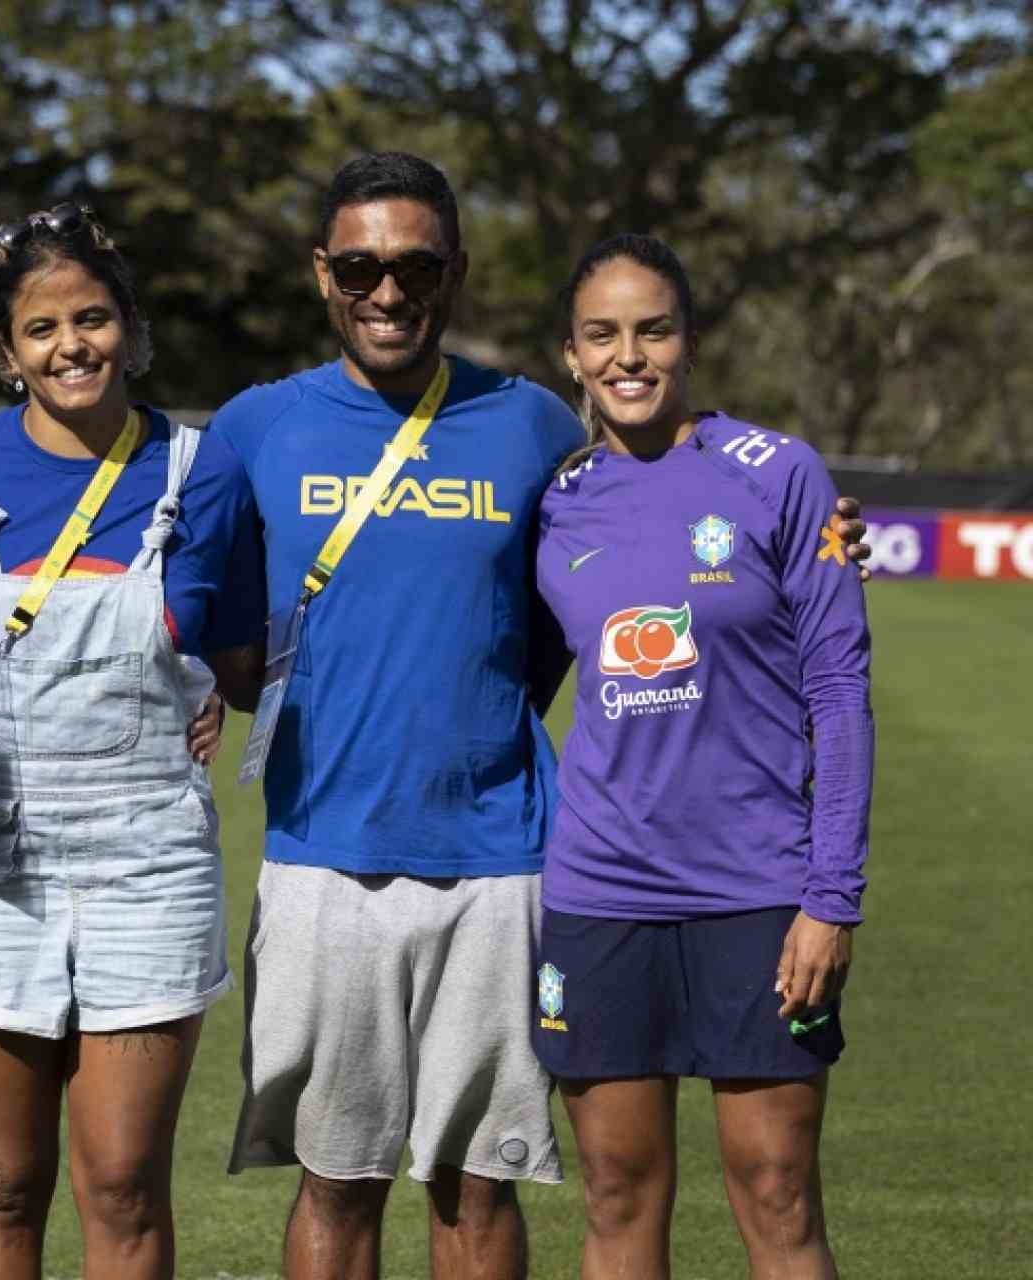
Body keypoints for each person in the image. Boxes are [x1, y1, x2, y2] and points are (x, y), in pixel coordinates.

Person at [210, 155, 868, 1280]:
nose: (387, 288)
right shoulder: (274, 430)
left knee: (535, 1185)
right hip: (435, 868)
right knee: (391, 1180)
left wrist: (832, 889)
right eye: (362, 264)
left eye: (414, 265)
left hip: (577, 873)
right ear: (324, 273)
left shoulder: (554, 437)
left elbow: (805, 673)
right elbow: (219, 614)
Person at [0, 203, 265, 1279]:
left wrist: (208, 693)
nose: (73, 346)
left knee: (121, 1182)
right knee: (0, 1182)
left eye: (93, 317)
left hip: (147, 863)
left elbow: (246, 664)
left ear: (128, 323)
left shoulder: (204, 471)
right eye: (43, 327)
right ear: (4, 346)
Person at [531, 233, 870, 1280]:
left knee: (776, 1191)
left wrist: (832, 895)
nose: (629, 355)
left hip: (760, 894)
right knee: (620, 1194)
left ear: (690, 341)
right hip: (600, 894)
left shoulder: (780, 475)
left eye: (653, 329)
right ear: (573, 355)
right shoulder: (558, 497)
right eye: (603, 334)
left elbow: (839, 691)